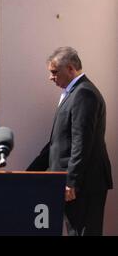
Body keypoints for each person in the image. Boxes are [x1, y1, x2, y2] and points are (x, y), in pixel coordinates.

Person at [27, 46, 113, 236]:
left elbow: (82, 142)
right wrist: (30, 172)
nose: (51, 77)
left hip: (83, 184)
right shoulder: (72, 93)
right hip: (71, 182)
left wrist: (71, 181)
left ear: (71, 68)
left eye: (54, 72)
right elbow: (58, 143)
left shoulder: (84, 94)